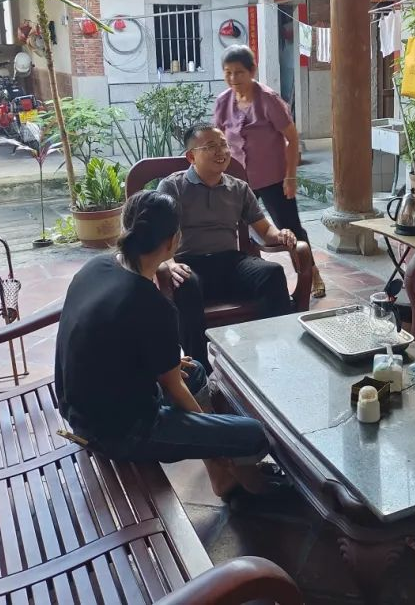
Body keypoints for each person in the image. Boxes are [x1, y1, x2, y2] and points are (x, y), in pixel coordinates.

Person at [54, 190, 280, 500]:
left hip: (80, 408)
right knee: (252, 435)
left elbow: (123, 347)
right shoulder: (150, 303)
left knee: (194, 371)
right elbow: (174, 389)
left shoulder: (95, 268)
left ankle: (219, 475)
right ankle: (236, 476)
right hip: (119, 431)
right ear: (173, 241)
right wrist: (214, 439)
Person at [158, 123, 297, 366]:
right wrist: (169, 263)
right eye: (211, 146)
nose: (221, 151)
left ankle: (283, 353)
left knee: (272, 273)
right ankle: (200, 369)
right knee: (184, 283)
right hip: (190, 263)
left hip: (230, 262)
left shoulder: (238, 188)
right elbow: (160, 234)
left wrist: (281, 234)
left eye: (223, 144)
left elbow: (265, 230)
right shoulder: (173, 187)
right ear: (191, 156)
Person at [213, 44, 325, 298]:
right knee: (241, 230)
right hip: (237, 180)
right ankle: (253, 275)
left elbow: (292, 138)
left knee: (290, 228)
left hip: (273, 178)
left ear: (252, 70)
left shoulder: (268, 100)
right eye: (228, 72)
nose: (233, 78)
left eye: (239, 72)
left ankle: (312, 273)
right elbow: (218, 139)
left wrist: (290, 176)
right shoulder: (223, 102)